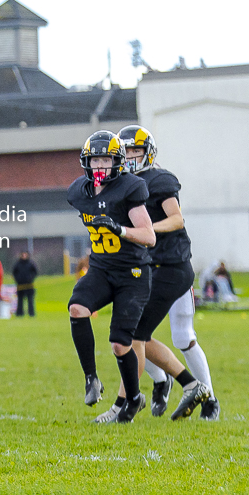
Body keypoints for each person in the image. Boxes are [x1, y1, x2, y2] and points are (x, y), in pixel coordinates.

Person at [111, 125, 217, 421]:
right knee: (132, 333)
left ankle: (207, 398)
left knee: (175, 336)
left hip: (171, 267)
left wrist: (145, 230)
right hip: (146, 269)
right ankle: (164, 381)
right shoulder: (120, 184)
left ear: (148, 153)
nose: (131, 156)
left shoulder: (159, 180)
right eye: (127, 150)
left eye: (136, 150)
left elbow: (176, 219)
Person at [67, 130, 156, 423]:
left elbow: (149, 236)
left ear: (117, 162)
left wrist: (120, 229)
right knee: (77, 307)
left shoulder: (130, 188)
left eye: (106, 159)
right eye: (95, 160)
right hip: (102, 269)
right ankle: (91, 379)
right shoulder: (79, 191)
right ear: (86, 163)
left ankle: (133, 399)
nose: (100, 166)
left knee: (120, 343)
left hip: (132, 273)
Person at [12, 251, 38, 317]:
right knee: (20, 301)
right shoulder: (18, 264)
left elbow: (35, 272)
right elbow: (14, 273)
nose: (24, 256)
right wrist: (18, 279)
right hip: (20, 285)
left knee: (30, 300)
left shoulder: (30, 263)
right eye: (23, 255)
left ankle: (31, 313)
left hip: (29, 285)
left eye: (25, 255)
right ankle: (19, 314)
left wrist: (30, 278)